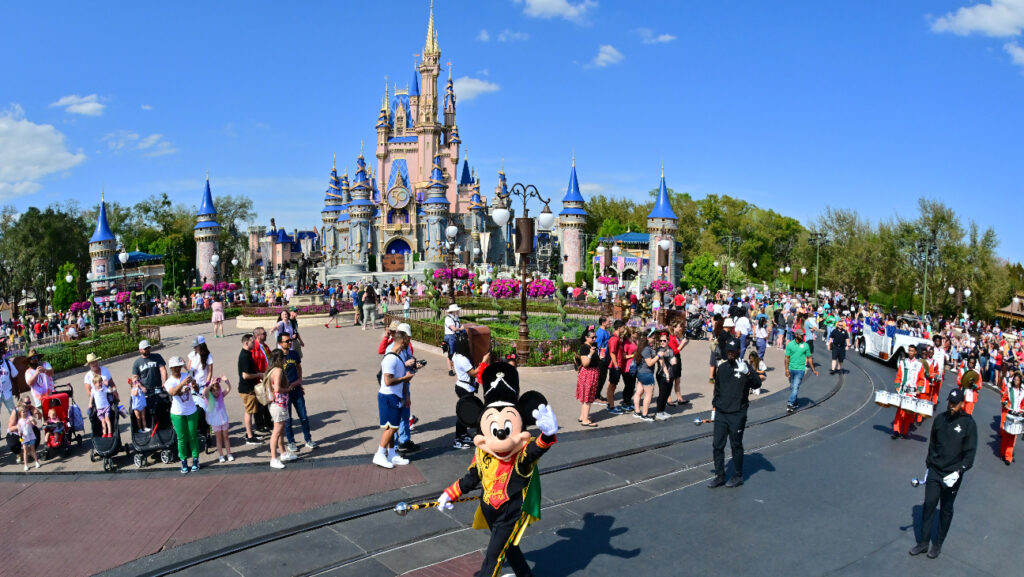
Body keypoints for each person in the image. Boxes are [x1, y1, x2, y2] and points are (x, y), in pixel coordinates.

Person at [909, 388, 977, 559]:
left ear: (962, 404)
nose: (951, 406)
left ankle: (937, 543)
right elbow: (933, 444)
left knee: (946, 509)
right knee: (929, 504)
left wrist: (959, 471)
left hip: (952, 475)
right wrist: (929, 464)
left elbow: (970, 453)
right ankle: (923, 543)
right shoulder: (940, 419)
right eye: (950, 402)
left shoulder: (969, 424)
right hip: (935, 470)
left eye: (955, 403)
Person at [707, 336, 761, 488]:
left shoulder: (745, 367)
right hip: (722, 412)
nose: (730, 353)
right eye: (728, 350)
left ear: (738, 351)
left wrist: (748, 373)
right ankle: (719, 475)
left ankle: (737, 475)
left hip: (737, 413)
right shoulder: (722, 368)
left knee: (735, 445)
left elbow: (757, 383)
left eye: (733, 351)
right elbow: (717, 391)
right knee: (717, 445)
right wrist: (714, 409)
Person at [376, 329, 414, 468]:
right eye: (407, 341)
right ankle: (380, 454)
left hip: (395, 395)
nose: (408, 344)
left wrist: (406, 394)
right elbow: (388, 381)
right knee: (391, 428)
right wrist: (405, 378)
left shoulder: (398, 357)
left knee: (392, 426)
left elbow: (401, 379)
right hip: (388, 396)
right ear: (402, 341)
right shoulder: (390, 358)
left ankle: (391, 454)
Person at [278, 332, 315, 454]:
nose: (289, 343)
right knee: (288, 420)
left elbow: (299, 367)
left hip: (296, 390)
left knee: (303, 416)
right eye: (286, 341)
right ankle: (291, 442)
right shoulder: (277, 357)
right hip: (285, 393)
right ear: (280, 343)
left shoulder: (294, 354)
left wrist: (299, 380)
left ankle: (308, 439)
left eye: (290, 341)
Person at [165, 356, 201, 474]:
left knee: (192, 436)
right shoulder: (169, 382)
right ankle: (184, 462)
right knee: (181, 439)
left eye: (179, 367)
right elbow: (173, 392)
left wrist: (194, 385)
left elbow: (196, 389)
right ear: (171, 368)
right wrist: (182, 383)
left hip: (191, 410)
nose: (178, 369)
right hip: (177, 413)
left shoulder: (187, 375)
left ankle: (195, 460)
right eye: (176, 367)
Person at [451, 332, 484, 448]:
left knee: (467, 411)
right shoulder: (462, 359)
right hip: (464, 388)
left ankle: (464, 434)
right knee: (463, 413)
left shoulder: (456, 355)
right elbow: (473, 373)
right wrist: (484, 361)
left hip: (464, 386)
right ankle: (457, 439)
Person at [892, 345, 927, 439]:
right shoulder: (902, 363)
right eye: (909, 350)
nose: (910, 352)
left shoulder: (919, 365)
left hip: (912, 392)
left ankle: (904, 431)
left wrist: (919, 389)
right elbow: (898, 376)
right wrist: (897, 386)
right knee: (899, 411)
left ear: (915, 352)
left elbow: (921, 379)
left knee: (908, 412)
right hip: (903, 390)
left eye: (912, 351)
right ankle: (896, 430)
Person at [266, 349, 294, 469]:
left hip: (275, 404)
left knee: (280, 429)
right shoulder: (278, 371)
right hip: (279, 403)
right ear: (280, 359)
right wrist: (288, 389)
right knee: (276, 432)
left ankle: (283, 452)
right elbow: (277, 389)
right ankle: (273, 458)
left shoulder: (270, 370)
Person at [237, 333, 264, 445]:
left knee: (250, 412)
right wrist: (258, 374)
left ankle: (250, 432)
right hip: (247, 389)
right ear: (246, 342)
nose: (254, 343)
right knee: (249, 412)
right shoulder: (245, 356)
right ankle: (249, 436)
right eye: (253, 342)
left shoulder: (247, 353)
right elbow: (245, 375)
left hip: (248, 388)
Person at [784, 329, 817, 412]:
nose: (803, 336)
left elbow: (809, 358)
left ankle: (790, 403)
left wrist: (813, 369)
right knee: (792, 387)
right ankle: (794, 401)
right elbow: (787, 358)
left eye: (803, 335)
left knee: (795, 386)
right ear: (796, 335)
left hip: (800, 370)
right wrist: (786, 369)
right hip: (791, 369)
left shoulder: (805, 345)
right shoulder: (790, 345)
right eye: (801, 335)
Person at [575, 327, 601, 427]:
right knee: (588, 397)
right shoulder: (585, 348)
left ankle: (582, 416)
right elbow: (585, 363)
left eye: (595, 337)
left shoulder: (592, 346)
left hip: (592, 373)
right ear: (586, 337)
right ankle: (585, 420)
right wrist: (590, 353)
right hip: (588, 374)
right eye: (592, 337)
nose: (594, 339)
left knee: (587, 396)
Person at [205, 376, 233, 462]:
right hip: (215, 421)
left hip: (223, 420)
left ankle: (229, 454)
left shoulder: (221, 395)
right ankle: (221, 455)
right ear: (211, 391)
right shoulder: (209, 398)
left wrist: (227, 381)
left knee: (226, 437)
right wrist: (210, 385)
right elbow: (205, 392)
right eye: (214, 391)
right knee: (219, 439)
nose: (216, 392)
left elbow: (229, 389)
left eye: (217, 390)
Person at [652, 331, 679, 420]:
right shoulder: (659, 350)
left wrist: (674, 361)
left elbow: (673, 359)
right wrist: (667, 375)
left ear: (668, 341)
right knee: (662, 393)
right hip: (662, 375)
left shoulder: (670, 349)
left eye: (664, 341)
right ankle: (659, 412)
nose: (662, 342)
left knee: (667, 393)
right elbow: (662, 363)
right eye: (661, 341)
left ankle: (662, 410)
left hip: (670, 374)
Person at [999, 372, 1024, 465]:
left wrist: (1022, 411)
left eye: (1018, 380)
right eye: (1015, 380)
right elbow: (1003, 399)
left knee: (1012, 438)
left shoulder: (1022, 391)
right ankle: (1002, 452)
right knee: (1006, 435)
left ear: (1020, 381)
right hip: (1009, 414)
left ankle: (1008, 457)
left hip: (1017, 416)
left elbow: (1023, 404)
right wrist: (1006, 405)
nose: (1016, 381)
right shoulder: (1009, 389)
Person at [632, 333, 658, 422]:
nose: (654, 339)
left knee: (639, 392)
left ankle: (637, 411)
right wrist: (658, 356)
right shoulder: (646, 349)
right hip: (646, 374)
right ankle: (645, 414)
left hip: (640, 372)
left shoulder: (643, 347)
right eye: (653, 338)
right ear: (648, 338)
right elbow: (649, 363)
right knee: (649, 394)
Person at [14, 401, 40, 470]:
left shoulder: (29, 418)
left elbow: (35, 424)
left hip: (31, 436)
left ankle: (36, 462)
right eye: (23, 412)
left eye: (25, 411)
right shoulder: (19, 421)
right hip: (24, 438)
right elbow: (19, 430)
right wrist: (20, 434)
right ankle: (25, 465)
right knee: (25, 451)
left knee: (33, 450)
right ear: (20, 413)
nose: (25, 413)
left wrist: (33, 420)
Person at [593, 316, 612, 404]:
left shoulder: (606, 331)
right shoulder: (600, 333)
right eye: (608, 321)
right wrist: (600, 358)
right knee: (600, 378)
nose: (610, 323)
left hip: (606, 358)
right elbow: (597, 346)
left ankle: (598, 394)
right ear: (603, 323)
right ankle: (595, 397)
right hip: (601, 359)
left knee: (603, 378)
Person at [0, 342, 18, 419]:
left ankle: (17, 430)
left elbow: (14, 377)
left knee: (13, 414)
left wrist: (17, 390)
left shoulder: (8, 363)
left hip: (7, 392)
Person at [443, 303, 462, 376]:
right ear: (453, 311)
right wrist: (460, 329)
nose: (458, 311)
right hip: (450, 337)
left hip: (456, 336)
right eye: (456, 310)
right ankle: (450, 370)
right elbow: (453, 328)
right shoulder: (448, 318)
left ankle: (456, 368)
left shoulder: (456, 317)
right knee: (450, 354)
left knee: (457, 353)